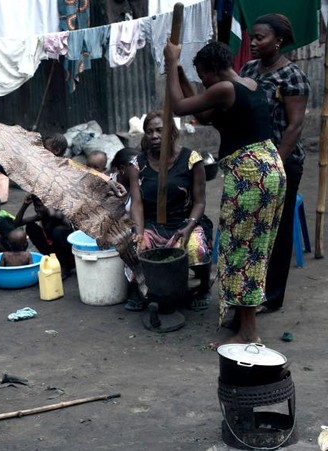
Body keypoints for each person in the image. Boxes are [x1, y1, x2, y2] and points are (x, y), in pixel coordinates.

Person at [165, 40, 286, 345]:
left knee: (241, 249)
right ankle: (242, 320)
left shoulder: (226, 88)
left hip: (250, 175)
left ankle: (248, 333)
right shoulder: (248, 85)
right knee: (253, 247)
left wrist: (169, 63)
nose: (203, 83)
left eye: (203, 76)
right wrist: (181, 74)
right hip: (269, 168)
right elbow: (204, 116)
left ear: (215, 70)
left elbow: (180, 108)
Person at [239, 14, 311, 314]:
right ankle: (248, 289)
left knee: (277, 232)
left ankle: (272, 296)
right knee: (250, 228)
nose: (253, 43)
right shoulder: (249, 69)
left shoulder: (292, 77)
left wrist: (275, 165)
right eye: (252, 37)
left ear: (278, 41)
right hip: (250, 163)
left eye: (260, 38)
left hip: (282, 163)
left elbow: (294, 127)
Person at [126, 111, 212, 312]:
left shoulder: (191, 159)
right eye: (149, 132)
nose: (154, 136)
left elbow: (200, 201)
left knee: (196, 248)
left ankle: (202, 286)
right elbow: (137, 203)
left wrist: (190, 226)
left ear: (171, 132)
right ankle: (138, 288)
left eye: (159, 130)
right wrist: (138, 232)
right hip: (151, 224)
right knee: (133, 247)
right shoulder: (137, 164)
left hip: (183, 223)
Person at [14, 194, 76, 280]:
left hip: (68, 254)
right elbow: (17, 223)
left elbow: (54, 214)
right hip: (53, 250)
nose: (36, 209)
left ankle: (65, 267)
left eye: (39, 206)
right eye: (35, 206)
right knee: (30, 227)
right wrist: (24, 205)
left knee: (58, 231)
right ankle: (51, 260)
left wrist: (49, 205)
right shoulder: (41, 215)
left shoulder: (59, 214)